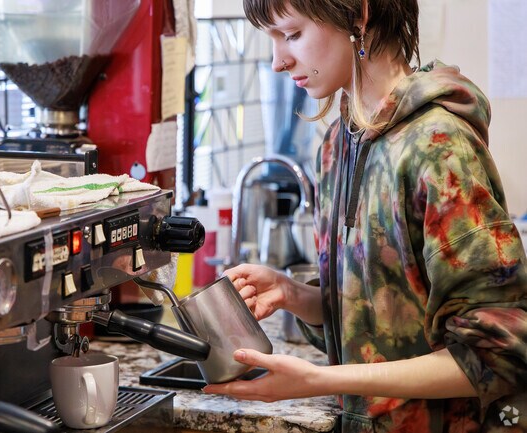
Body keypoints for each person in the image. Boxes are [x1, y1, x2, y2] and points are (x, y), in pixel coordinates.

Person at [202, 0, 527, 431]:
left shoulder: (439, 147)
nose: (278, 61)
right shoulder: (339, 142)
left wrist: (320, 380)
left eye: (292, 34)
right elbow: (380, 316)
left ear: (359, 16)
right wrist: (294, 294)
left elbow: (500, 354)